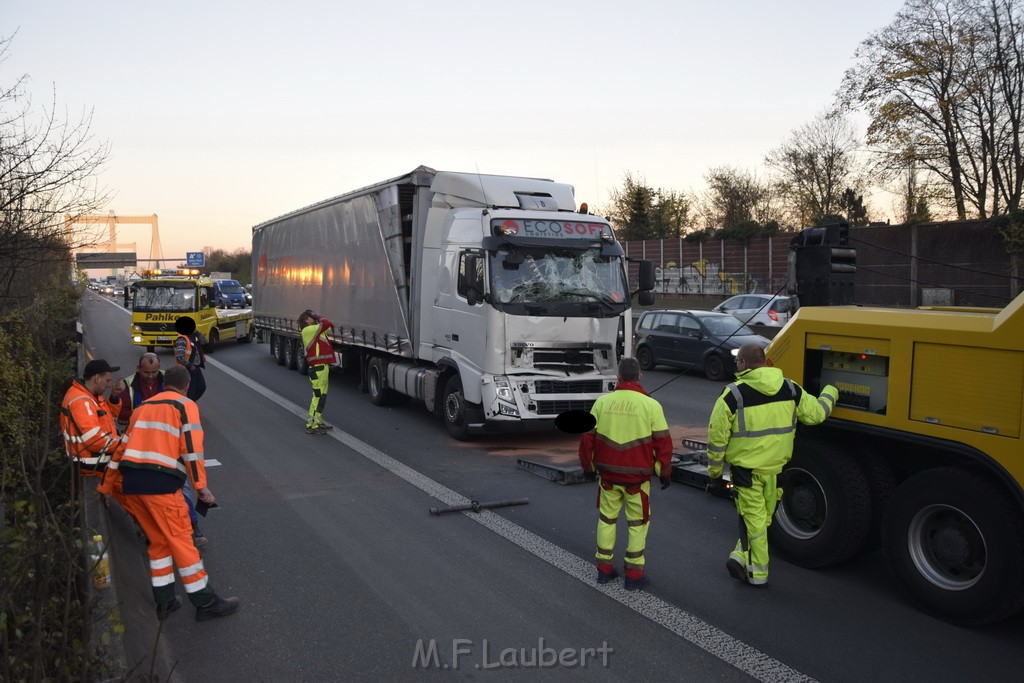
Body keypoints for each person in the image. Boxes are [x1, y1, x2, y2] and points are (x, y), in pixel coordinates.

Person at [706, 343, 838, 587]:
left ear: (744, 363)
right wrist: (832, 390)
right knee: (761, 518)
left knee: (755, 520)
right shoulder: (790, 388)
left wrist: (714, 474)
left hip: (747, 472)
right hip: (777, 469)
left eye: (737, 362)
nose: (737, 366)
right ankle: (739, 555)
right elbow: (816, 415)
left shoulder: (732, 395)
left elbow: (716, 440)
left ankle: (757, 574)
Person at [116, 365, 239, 621]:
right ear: (186, 385)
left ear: (164, 383)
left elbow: (120, 450)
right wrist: (201, 488)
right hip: (161, 488)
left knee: (158, 545)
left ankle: (165, 601)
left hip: (132, 488)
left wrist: (106, 487)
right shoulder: (185, 406)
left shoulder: (142, 408)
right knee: (184, 544)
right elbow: (192, 451)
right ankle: (206, 603)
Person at [578, 357, 673, 590]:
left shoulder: (602, 403)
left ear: (618, 377)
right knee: (638, 524)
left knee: (606, 521)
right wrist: (663, 472)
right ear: (640, 376)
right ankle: (634, 575)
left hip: (608, 478)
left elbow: (587, 440)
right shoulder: (651, 406)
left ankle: (604, 570)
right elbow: (663, 444)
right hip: (637, 481)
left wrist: (588, 468)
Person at [115, 351, 207, 546]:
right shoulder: (128, 385)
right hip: (142, 444)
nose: (150, 376)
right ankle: (155, 531)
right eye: (147, 372)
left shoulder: (169, 380)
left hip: (167, 444)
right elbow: (121, 416)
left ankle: (192, 526)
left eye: (154, 372)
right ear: (138, 368)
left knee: (183, 489)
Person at [60, 359, 128, 509]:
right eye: (107, 380)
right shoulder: (81, 402)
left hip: (98, 465)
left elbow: (105, 417)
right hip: (95, 468)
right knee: (134, 500)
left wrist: (115, 398)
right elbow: (95, 440)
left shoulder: (88, 395)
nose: (109, 384)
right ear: (97, 378)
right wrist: (125, 444)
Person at [298, 308, 336, 434]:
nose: (313, 318)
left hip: (322, 367)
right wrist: (318, 316)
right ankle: (312, 425)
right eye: (310, 317)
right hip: (317, 368)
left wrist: (315, 318)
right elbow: (327, 323)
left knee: (322, 397)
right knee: (318, 397)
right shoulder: (307, 330)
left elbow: (329, 327)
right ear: (306, 320)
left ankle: (317, 422)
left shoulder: (316, 330)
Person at [174, 316, 207, 401]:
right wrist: (189, 365)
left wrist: (197, 333)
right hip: (187, 369)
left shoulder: (193, 335)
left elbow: (205, 341)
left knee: (201, 387)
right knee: (190, 391)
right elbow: (179, 356)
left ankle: (189, 404)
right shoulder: (182, 339)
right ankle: (186, 407)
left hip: (196, 367)